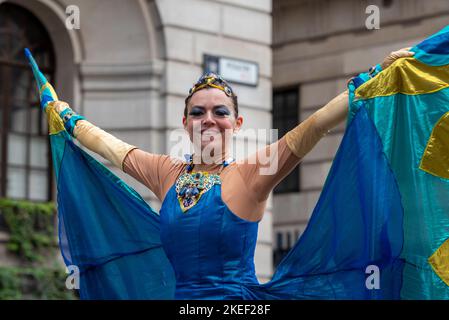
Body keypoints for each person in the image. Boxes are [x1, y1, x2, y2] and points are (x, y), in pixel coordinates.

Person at [47, 48, 413, 299]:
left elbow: (312, 128)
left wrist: (370, 79)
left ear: (236, 123)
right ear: (185, 123)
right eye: (198, 112)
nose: (208, 119)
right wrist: (64, 115)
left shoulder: (254, 172)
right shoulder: (166, 172)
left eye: (220, 112)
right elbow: (109, 146)